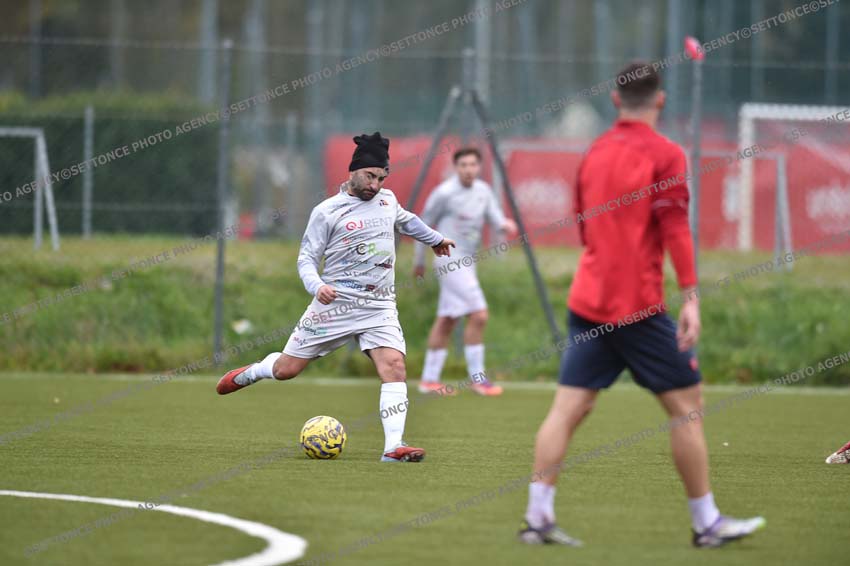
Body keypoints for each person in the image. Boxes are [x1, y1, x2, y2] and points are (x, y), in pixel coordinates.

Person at [518, 62, 765, 547]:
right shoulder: (666, 154)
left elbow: (582, 222)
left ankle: (537, 518)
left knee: (567, 409)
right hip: (637, 308)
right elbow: (675, 227)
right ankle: (707, 524)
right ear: (661, 99)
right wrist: (691, 296)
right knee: (687, 407)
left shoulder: (594, 151)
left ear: (615, 100)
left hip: (588, 299)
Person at [216, 132, 455, 463]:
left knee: (395, 366)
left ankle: (393, 448)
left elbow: (407, 221)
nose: (375, 184)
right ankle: (255, 371)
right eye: (370, 176)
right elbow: (306, 259)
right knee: (287, 370)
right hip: (335, 305)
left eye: (381, 178)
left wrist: (435, 239)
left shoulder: (387, 200)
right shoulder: (327, 211)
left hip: (379, 305)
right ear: (353, 170)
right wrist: (317, 287)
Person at [412, 147, 518, 396]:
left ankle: (429, 380)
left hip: (468, 262)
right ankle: (478, 378)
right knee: (479, 314)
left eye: (473, 165)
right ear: (456, 167)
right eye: (463, 165)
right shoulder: (444, 193)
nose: (468, 169)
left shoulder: (483, 191)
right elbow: (421, 225)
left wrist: (505, 225)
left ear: (479, 167)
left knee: (447, 319)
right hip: (449, 260)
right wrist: (419, 261)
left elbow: (496, 218)